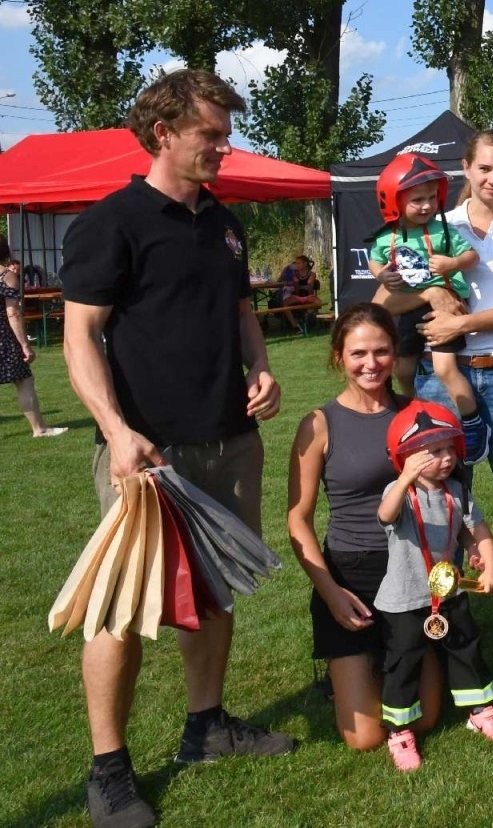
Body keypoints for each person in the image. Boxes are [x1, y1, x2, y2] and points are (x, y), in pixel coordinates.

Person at [61, 70, 291, 828]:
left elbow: (239, 309)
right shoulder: (111, 222)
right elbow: (79, 337)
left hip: (229, 439)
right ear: (164, 133)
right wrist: (119, 432)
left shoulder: (224, 222)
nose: (224, 147)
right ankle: (108, 772)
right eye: (211, 135)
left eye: (226, 134)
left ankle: (206, 728)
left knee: (217, 590)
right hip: (147, 459)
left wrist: (260, 367)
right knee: (119, 611)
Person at [396, 128, 493, 649]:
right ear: (466, 168)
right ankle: (442, 609)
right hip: (443, 376)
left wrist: (459, 325)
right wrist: (419, 292)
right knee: (436, 497)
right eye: (484, 168)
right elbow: (394, 296)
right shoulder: (436, 224)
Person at [287, 303, 444, 753]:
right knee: (366, 738)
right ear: (339, 357)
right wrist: (329, 591)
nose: (370, 363)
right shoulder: (318, 425)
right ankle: (361, 661)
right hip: (352, 577)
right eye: (358, 353)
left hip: (412, 571)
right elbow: (297, 518)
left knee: (427, 718)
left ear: (395, 353)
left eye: (381, 351)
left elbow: (450, 495)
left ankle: (390, 654)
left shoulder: (418, 414)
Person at [374, 401, 493, 771]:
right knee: (404, 663)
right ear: (407, 457)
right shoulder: (400, 492)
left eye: (450, 448)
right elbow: (385, 515)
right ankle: (400, 732)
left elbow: (475, 530)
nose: (446, 457)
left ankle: (481, 710)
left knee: (466, 648)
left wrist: (488, 562)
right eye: (433, 452)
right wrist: (404, 479)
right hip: (404, 600)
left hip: (449, 592)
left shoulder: (458, 491)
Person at [367, 153, 488, 464]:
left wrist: (453, 263)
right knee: (403, 369)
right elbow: (375, 258)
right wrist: (382, 274)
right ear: (394, 202)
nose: (426, 205)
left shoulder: (444, 231)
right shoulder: (387, 236)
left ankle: (473, 424)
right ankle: (413, 415)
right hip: (409, 309)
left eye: (431, 197)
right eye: (417, 199)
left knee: (444, 368)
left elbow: (471, 256)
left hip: (446, 306)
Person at [0, 235, 67, 437]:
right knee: (24, 381)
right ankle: (39, 428)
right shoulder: (6, 276)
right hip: (4, 336)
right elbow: (13, 313)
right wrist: (24, 345)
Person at [269, 254, 321, 330]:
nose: (296, 265)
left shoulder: (312, 274)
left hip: (308, 296)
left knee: (318, 302)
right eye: (296, 263)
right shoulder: (295, 274)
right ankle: (295, 325)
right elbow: (297, 291)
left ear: (305, 263)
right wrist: (296, 283)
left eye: (298, 263)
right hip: (298, 296)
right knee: (285, 304)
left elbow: (310, 289)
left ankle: (309, 315)